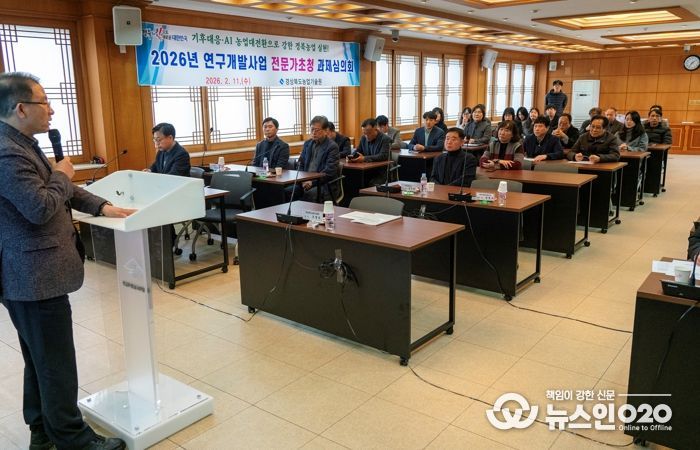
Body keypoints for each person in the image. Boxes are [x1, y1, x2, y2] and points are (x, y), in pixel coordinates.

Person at [0, 72, 133, 450]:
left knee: (39, 358)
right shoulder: (7, 152)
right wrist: (61, 173)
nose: (52, 110)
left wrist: (102, 206)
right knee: (56, 362)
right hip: (34, 276)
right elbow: (40, 206)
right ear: (21, 108)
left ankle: (42, 430)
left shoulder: (21, 143)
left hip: (30, 274)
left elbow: (64, 189)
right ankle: (74, 439)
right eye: (44, 102)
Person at [291, 115, 339, 201]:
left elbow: (329, 171)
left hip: (323, 184)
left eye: (317, 130)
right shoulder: (307, 144)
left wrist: (312, 183)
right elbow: (300, 164)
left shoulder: (332, 147)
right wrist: (302, 180)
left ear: (326, 131)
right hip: (305, 181)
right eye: (312, 129)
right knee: (289, 191)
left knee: (310, 194)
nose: (313, 132)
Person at [349, 118, 392, 185]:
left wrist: (364, 158)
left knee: (367, 183)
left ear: (375, 129)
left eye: (368, 133)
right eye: (364, 133)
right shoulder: (363, 138)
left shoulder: (385, 139)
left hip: (380, 172)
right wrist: (351, 157)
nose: (366, 136)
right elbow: (358, 151)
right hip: (366, 170)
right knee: (352, 179)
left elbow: (383, 156)